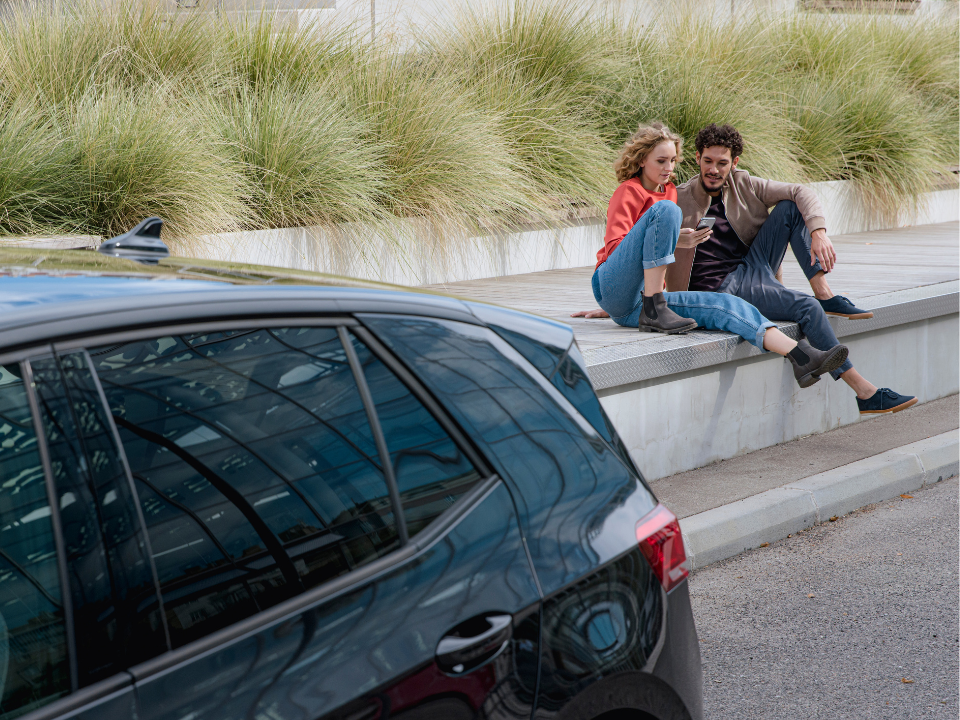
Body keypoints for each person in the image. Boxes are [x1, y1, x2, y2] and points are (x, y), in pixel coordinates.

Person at [666, 123, 916, 415]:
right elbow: (643, 246)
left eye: (722, 163)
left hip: (753, 267)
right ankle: (865, 392)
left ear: (734, 163)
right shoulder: (678, 199)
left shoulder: (743, 184)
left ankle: (824, 292)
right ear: (697, 158)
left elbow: (801, 191)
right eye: (707, 161)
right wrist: (634, 300)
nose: (713, 169)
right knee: (807, 309)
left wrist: (818, 232)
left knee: (790, 207)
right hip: (722, 289)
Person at [581, 122, 849, 390]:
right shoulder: (629, 192)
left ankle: (802, 357)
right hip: (616, 284)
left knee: (725, 305)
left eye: (673, 160)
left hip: (640, 304)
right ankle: (654, 308)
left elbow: (659, 262)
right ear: (641, 160)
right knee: (668, 211)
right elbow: (616, 249)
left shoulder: (671, 193)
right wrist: (616, 294)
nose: (669, 168)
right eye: (661, 161)